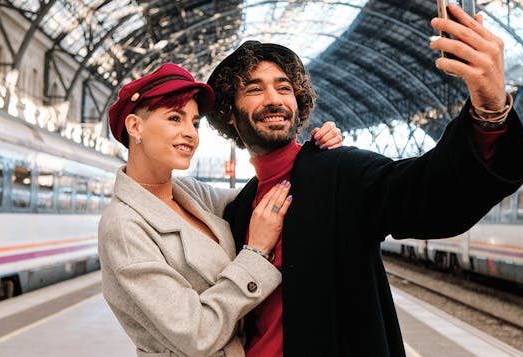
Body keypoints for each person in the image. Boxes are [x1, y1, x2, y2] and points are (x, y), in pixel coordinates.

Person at [204, 5, 523, 357]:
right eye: (254, 89)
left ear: (297, 104)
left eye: (284, 88)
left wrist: (489, 107)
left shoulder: (342, 174)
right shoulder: (237, 212)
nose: (274, 99)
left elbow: (431, 194)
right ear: (230, 115)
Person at [98, 63, 343, 357]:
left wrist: (309, 155)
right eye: (175, 118)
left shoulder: (192, 194)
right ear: (135, 126)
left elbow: (271, 194)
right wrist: (255, 253)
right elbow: (197, 334)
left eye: (195, 122)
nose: (190, 133)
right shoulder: (125, 228)